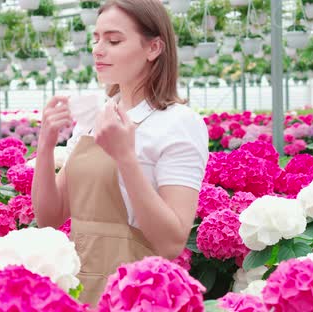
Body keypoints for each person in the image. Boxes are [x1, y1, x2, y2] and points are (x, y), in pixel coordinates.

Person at [31, 0, 209, 305]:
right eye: (97, 38)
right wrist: (46, 145)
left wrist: (125, 158)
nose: (98, 50)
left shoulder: (179, 123)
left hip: (135, 296)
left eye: (113, 40)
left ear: (154, 48)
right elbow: (49, 216)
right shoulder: (95, 118)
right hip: (78, 289)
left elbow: (170, 242)